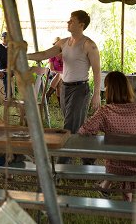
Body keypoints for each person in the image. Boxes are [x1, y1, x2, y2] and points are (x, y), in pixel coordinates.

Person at [28, 10, 101, 165]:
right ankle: (88, 159)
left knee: (69, 126)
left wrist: (96, 94)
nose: (68, 23)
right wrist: (24, 55)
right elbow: (44, 54)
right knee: (77, 126)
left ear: (81, 25)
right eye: (69, 20)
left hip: (80, 89)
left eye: (72, 21)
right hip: (65, 87)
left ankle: (62, 164)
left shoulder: (89, 45)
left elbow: (97, 70)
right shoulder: (63, 42)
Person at [78, 71, 136, 201]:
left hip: (116, 167)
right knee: (127, 157)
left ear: (108, 90)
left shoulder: (105, 111)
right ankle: (117, 194)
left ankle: (110, 190)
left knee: (118, 160)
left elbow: (84, 131)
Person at [46, 37, 63, 104]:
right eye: (56, 44)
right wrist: (60, 73)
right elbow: (52, 69)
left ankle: (47, 95)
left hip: (65, 75)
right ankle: (60, 103)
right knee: (59, 79)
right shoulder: (52, 54)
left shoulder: (66, 54)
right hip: (54, 74)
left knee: (59, 77)